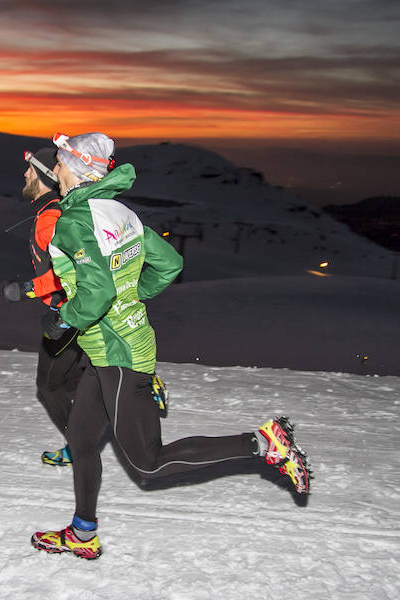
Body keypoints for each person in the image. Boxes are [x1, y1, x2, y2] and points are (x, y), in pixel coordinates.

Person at [30, 132, 311, 560]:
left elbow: (98, 292)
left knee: (148, 462)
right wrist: (132, 296)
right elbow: (169, 264)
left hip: (119, 356)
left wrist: (63, 320)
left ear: (79, 169)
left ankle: (261, 443)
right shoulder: (118, 211)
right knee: (83, 440)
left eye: (62, 162)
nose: (58, 169)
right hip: (111, 349)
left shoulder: (74, 221)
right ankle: (83, 532)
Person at [3, 147, 86, 466]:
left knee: (49, 387)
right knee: (72, 378)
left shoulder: (50, 217)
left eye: (30, 170)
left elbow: (71, 272)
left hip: (69, 315)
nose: (25, 174)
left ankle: (80, 448)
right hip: (77, 312)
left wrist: (26, 289)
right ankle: (135, 384)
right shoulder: (53, 210)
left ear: (44, 176)